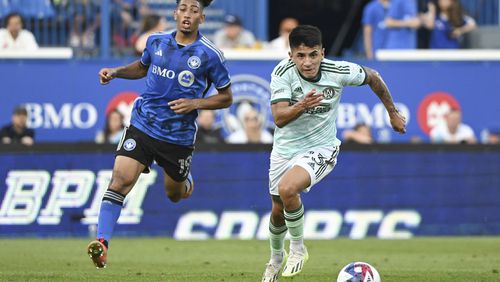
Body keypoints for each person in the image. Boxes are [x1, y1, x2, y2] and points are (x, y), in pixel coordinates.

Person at [87, 0, 232, 269]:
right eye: (184, 9)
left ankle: (184, 180)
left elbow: (226, 98)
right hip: (142, 125)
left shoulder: (211, 55)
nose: (188, 14)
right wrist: (116, 72)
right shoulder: (155, 42)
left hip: (177, 137)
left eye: (194, 10)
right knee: (119, 180)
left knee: (174, 194)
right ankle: (102, 243)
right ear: (175, 13)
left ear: (202, 17)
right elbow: (142, 67)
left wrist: (195, 103)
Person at [261, 25, 406, 281]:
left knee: (287, 190)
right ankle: (275, 259)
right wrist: (302, 105)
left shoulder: (338, 71)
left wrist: (392, 113)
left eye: (313, 55)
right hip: (285, 148)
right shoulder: (281, 73)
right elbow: (279, 118)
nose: (308, 62)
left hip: (321, 147)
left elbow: (373, 76)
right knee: (277, 209)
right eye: (301, 56)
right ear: (291, 55)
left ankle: (297, 249)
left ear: (323, 53)